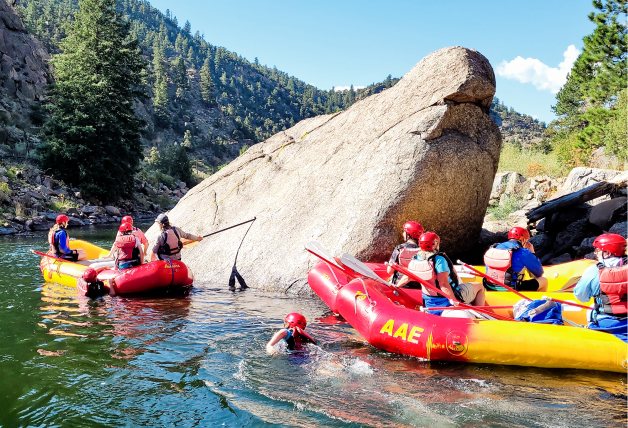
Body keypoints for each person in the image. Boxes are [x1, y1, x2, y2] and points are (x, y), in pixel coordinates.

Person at [406, 232, 485, 315]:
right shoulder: (439, 260)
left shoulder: (415, 258)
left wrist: (395, 287)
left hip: (428, 299)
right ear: (436, 245)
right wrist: (455, 302)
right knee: (479, 286)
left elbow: (407, 277)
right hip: (446, 299)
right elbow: (444, 284)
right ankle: (480, 314)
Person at [574, 233, 627, 342]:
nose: (595, 253)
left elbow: (581, 297)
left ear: (607, 253)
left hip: (607, 324)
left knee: (590, 310)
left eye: (597, 250)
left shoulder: (593, 270)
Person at [483, 226, 548, 292]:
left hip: (489, 286)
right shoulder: (523, 252)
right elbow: (539, 273)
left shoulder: (495, 247)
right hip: (511, 289)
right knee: (543, 281)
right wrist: (532, 253)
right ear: (523, 240)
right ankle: (537, 301)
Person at [386, 221, 423, 286]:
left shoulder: (399, 248)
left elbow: (389, 271)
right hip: (418, 285)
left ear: (408, 234)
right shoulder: (424, 250)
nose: (403, 233)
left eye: (404, 231)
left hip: (400, 285)